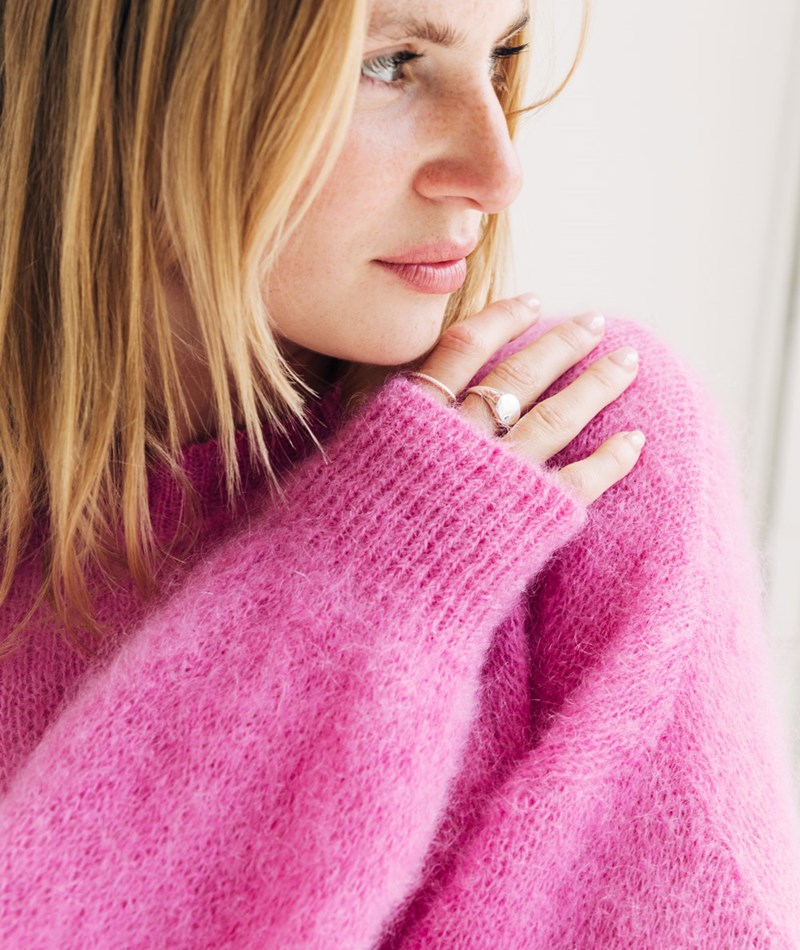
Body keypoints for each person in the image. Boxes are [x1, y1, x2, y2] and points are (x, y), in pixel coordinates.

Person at [0, 0, 798, 945]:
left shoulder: (583, 441)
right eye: (390, 63)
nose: (499, 171)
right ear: (129, 89)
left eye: (501, 55)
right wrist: (365, 582)